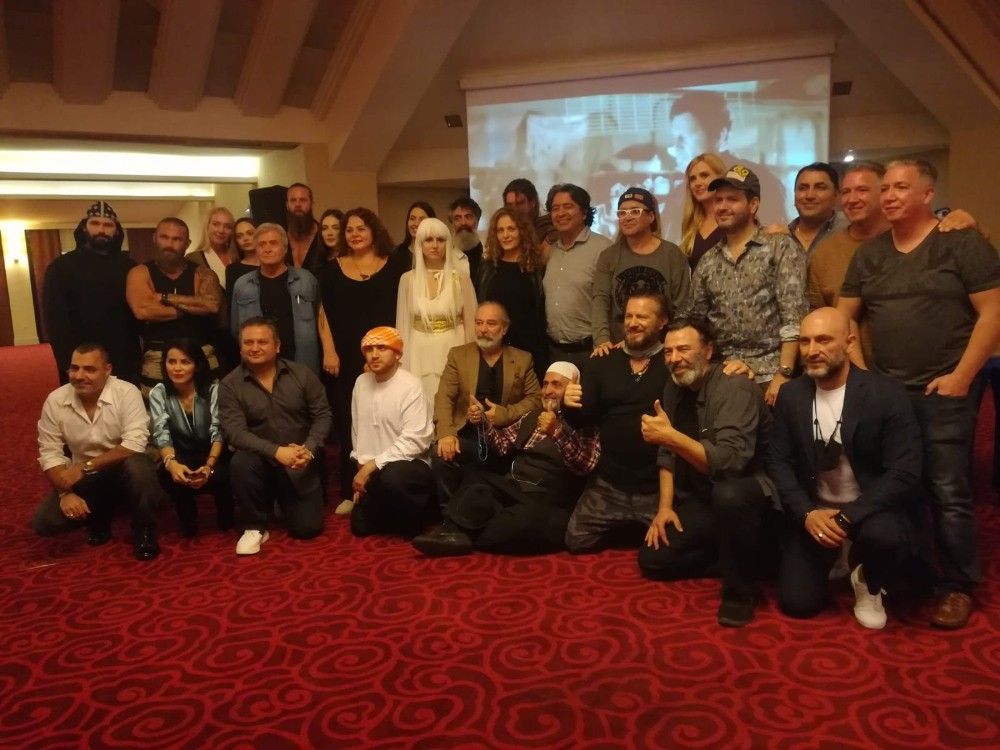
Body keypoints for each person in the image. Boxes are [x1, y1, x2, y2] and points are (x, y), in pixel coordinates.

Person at [838, 159, 1000, 629]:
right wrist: (864, 375)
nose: (889, 196)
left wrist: (962, 376)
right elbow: (843, 316)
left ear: (928, 194)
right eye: (885, 188)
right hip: (889, 393)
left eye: (901, 188)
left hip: (946, 388)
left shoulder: (961, 243)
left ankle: (957, 585)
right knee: (897, 485)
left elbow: (992, 313)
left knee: (947, 488)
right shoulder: (869, 254)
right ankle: (912, 573)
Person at [768, 308, 923, 629]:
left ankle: (867, 579)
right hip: (814, 511)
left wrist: (848, 516)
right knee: (798, 604)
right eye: (805, 341)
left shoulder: (886, 393)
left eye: (824, 340)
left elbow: (905, 471)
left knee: (888, 537)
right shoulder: (791, 395)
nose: (812, 350)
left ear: (849, 343)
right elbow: (778, 462)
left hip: (869, 512)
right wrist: (806, 513)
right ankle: (833, 555)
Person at [637, 318, 775, 627]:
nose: (675, 358)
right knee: (653, 560)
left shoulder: (735, 386)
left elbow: (729, 463)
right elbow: (666, 453)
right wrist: (664, 508)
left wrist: (670, 436)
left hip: (748, 495)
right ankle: (744, 558)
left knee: (729, 494)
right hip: (705, 497)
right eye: (668, 351)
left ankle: (739, 593)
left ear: (708, 350)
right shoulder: (675, 386)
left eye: (684, 349)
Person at [413, 361, 599, 556]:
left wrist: (556, 431)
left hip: (548, 498)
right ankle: (457, 531)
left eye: (556, 385)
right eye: (545, 384)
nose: (548, 391)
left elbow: (585, 464)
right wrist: (483, 420)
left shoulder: (585, 422)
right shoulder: (531, 416)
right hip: (514, 487)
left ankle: (459, 534)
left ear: (574, 389)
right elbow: (502, 444)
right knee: (476, 481)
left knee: (526, 522)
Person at [683, 165, 806, 406]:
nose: (722, 206)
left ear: (753, 205)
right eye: (718, 200)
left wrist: (784, 373)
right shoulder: (708, 261)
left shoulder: (780, 247)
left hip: (771, 375)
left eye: (732, 199)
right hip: (723, 373)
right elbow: (696, 320)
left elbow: (793, 318)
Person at [32, 343, 164, 560]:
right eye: (74, 368)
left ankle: (144, 528)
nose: (79, 376)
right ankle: (100, 512)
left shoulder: (126, 392)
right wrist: (65, 493)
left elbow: (134, 444)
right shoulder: (55, 400)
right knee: (45, 522)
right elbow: (49, 452)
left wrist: (85, 467)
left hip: (123, 469)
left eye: (89, 369)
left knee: (138, 466)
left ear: (107, 370)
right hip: (87, 479)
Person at [562, 293, 670, 552]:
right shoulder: (602, 360)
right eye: (628, 316)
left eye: (642, 316)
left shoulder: (672, 362)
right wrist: (567, 404)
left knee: (667, 551)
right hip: (608, 484)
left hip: (655, 486)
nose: (632, 323)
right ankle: (628, 527)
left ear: (662, 322)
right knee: (576, 542)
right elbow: (582, 420)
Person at [220, 317, 332, 555]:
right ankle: (254, 526)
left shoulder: (302, 374)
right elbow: (235, 433)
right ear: (240, 348)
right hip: (259, 463)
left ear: (277, 346)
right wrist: (276, 452)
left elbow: (323, 415)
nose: (254, 348)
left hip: (300, 462)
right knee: (240, 461)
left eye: (262, 342)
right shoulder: (230, 384)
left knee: (307, 529)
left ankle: (283, 502)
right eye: (248, 342)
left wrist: (309, 448)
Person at [319, 207, 406, 502]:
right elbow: (322, 313)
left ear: (374, 231)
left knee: (388, 421)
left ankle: (386, 490)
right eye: (349, 230)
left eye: (361, 228)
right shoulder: (331, 269)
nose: (355, 234)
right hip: (344, 359)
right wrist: (329, 351)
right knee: (350, 423)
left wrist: (393, 352)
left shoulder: (396, 265)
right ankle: (350, 492)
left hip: (388, 356)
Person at [433, 301, 542, 505]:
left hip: (505, 437)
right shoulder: (458, 355)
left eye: (491, 323)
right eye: (479, 322)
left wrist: (504, 414)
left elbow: (536, 400)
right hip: (467, 433)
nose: (483, 329)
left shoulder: (523, 359)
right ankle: (449, 515)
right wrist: (446, 433)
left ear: (504, 328)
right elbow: (444, 397)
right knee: (441, 455)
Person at [347, 327, 437, 536]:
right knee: (360, 527)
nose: (374, 354)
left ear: (397, 354)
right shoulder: (361, 382)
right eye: (369, 349)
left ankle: (420, 514)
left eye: (382, 348)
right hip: (375, 469)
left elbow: (415, 442)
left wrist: (371, 466)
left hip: (408, 466)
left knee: (393, 478)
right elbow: (357, 431)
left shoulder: (411, 385)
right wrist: (361, 469)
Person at [43, 200, 141, 385]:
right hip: (80, 356)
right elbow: (55, 319)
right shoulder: (61, 267)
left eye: (108, 225)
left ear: (117, 231)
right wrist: (67, 363)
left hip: (123, 354)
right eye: (95, 223)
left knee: (124, 400)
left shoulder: (130, 267)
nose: (101, 230)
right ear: (84, 228)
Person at [125, 217, 223, 395]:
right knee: (156, 409)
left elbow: (211, 305)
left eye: (177, 239)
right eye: (164, 237)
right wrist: (191, 307)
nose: (169, 244)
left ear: (187, 243)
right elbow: (143, 310)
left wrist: (164, 297)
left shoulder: (203, 273)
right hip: (156, 355)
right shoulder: (140, 273)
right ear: (154, 238)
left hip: (200, 351)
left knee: (209, 406)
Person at [665, 90, 788, 227]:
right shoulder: (678, 195)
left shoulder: (759, 182)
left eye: (684, 137)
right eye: (675, 138)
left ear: (720, 136)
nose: (675, 147)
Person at [591, 188, 690, 355]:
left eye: (635, 211)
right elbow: (600, 300)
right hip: (617, 348)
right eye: (622, 213)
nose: (627, 217)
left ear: (651, 216)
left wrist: (669, 343)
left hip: (663, 348)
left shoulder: (672, 254)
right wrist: (602, 340)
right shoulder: (609, 256)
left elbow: (682, 306)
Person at [148, 338, 232, 537]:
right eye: (171, 361)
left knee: (227, 524)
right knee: (166, 473)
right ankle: (187, 516)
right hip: (181, 455)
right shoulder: (159, 392)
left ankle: (226, 512)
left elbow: (218, 432)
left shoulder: (213, 389)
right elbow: (161, 433)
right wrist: (172, 464)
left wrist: (209, 467)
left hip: (214, 454)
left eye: (185, 362)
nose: (177, 368)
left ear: (197, 365)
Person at [395, 217, 477, 403]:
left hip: (452, 346)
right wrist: (403, 362)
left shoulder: (461, 279)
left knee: (450, 402)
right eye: (428, 240)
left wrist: (471, 362)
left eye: (440, 240)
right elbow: (403, 325)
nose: (434, 245)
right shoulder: (407, 280)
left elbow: (471, 324)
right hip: (419, 350)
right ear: (419, 244)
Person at [230, 222, 322, 373]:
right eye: (262, 244)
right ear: (256, 250)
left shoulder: (306, 280)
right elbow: (236, 330)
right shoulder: (242, 285)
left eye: (273, 243)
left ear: (285, 249)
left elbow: (321, 321)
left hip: (302, 365)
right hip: (258, 368)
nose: (267, 249)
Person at [542, 183, 612, 369]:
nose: (560, 213)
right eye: (555, 208)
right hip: (554, 352)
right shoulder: (551, 250)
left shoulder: (603, 249)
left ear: (584, 212)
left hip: (590, 351)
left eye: (568, 206)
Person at [477, 208, 548, 381]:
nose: (505, 235)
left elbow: (540, 315)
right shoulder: (487, 269)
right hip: (494, 350)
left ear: (522, 231)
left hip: (530, 351)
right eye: (500, 230)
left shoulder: (536, 269)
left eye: (511, 229)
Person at [770, 162, 847, 261]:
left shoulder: (849, 230)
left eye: (820, 188)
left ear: (836, 195)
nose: (809, 195)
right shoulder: (780, 237)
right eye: (803, 188)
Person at [677, 153, 726, 269]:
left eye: (704, 175)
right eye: (692, 179)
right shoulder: (691, 224)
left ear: (720, 179)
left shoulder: (734, 218)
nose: (697, 183)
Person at [186, 207, 237, 287]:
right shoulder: (193, 258)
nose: (221, 230)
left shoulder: (238, 256)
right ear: (207, 226)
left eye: (227, 226)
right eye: (216, 224)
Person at [284, 182, 326, 277]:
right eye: (293, 200)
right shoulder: (280, 237)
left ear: (311, 204)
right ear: (287, 205)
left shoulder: (323, 235)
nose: (298, 204)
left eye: (302, 200)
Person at [503, 177, 555, 248]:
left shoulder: (548, 232)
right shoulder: (502, 235)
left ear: (532, 203)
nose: (514, 209)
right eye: (509, 205)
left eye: (519, 203)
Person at [448, 196, 484, 283]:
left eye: (468, 217)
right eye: (457, 218)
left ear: (477, 220)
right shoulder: (445, 256)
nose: (463, 223)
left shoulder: (489, 255)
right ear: (452, 223)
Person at [225, 216, 259, 303]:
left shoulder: (271, 263)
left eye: (250, 233)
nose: (245, 239)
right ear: (236, 241)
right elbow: (232, 304)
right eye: (239, 236)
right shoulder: (233, 270)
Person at [394, 201, 436, 270]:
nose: (416, 224)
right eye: (412, 218)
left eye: (421, 219)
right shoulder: (397, 254)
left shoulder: (437, 252)